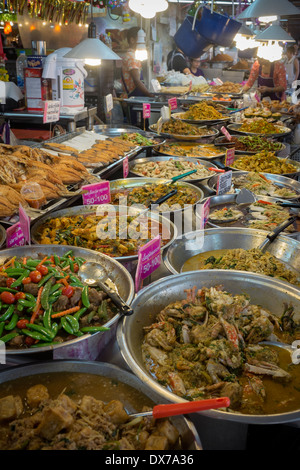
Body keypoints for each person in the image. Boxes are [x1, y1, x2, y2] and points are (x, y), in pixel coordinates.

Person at [121, 26, 153, 99]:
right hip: (133, 97)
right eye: (142, 39)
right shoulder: (131, 56)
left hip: (136, 95)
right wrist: (149, 95)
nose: (144, 42)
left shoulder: (135, 55)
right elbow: (137, 80)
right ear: (132, 40)